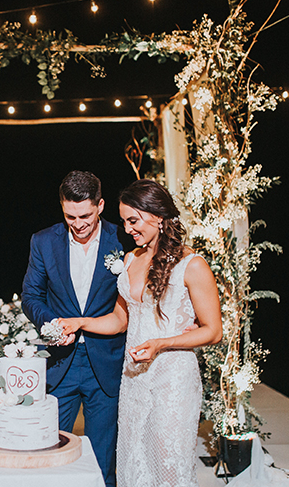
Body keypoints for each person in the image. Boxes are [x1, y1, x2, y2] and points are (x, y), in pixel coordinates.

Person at [59, 179, 222, 487]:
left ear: (158, 217)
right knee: (133, 461)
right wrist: (80, 322)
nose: (128, 229)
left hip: (172, 378)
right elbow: (120, 320)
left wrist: (163, 343)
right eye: (124, 222)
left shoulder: (193, 264)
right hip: (134, 377)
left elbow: (213, 331)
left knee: (167, 464)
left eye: (133, 220)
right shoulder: (131, 259)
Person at [22, 170, 126, 487]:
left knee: (102, 462)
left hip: (105, 363)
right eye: (70, 216)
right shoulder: (43, 242)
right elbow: (31, 296)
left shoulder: (122, 239)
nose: (78, 224)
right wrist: (50, 323)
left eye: (85, 215)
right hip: (60, 362)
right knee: (50, 455)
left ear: (100, 206)